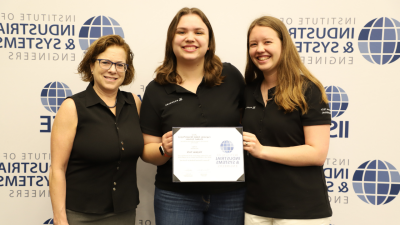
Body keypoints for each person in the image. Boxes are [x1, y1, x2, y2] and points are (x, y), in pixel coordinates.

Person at [139, 7, 246, 225]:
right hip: (175, 197)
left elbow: (251, 121)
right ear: (171, 39)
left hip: (230, 195)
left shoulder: (232, 77)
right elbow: (146, 150)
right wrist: (163, 149)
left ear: (209, 41)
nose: (190, 38)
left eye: (198, 32)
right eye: (182, 32)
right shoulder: (156, 89)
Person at [242, 16, 332, 225]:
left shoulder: (308, 90)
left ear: (284, 44)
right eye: (253, 44)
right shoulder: (247, 91)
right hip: (255, 208)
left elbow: (317, 153)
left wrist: (261, 150)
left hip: (302, 210)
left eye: (267, 42)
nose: (259, 49)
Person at [49, 35, 143, 225]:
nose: (112, 70)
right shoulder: (72, 107)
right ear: (91, 65)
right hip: (81, 215)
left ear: (126, 70)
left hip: (124, 213)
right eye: (105, 62)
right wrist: (60, 219)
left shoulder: (134, 103)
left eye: (119, 64)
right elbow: (57, 168)